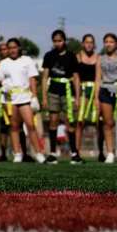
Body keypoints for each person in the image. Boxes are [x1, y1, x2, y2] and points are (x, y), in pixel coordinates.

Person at [0, 39, 46, 163]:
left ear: (19, 48)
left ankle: (38, 153)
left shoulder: (27, 60)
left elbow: (32, 80)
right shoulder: (4, 63)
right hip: (9, 99)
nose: (12, 50)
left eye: (14, 47)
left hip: (24, 97)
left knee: (30, 125)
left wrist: (34, 97)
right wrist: (4, 86)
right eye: (10, 48)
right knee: (14, 127)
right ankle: (17, 153)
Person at [40, 29, 82, 163]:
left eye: (60, 40)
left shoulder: (71, 56)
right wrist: (44, 97)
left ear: (64, 41)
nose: (57, 43)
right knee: (53, 121)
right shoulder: (49, 56)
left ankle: (74, 153)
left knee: (69, 122)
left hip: (67, 91)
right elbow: (45, 76)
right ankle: (52, 153)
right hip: (53, 91)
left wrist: (78, 96)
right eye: (55, 41)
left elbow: (76, 77)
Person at [95, 33, 117, 164]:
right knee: (108, 124)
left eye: (111, 41)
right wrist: (96, 98)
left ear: (116, 44)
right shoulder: (100, 59)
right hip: (105, 91)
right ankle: (110, 153)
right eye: (106, 42)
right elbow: (97, 79)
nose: (108, 44)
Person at [75, 33, 102, 161]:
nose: (89, 44)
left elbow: (98, 78)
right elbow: (75, 77)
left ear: (94, 44)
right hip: (83, 90)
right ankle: (76, 152)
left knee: (98, 122)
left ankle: (102, 152)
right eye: (87, 42)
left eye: (91, 42)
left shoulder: (98, 58)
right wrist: (77, 95)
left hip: (95, 90)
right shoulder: (78, 57)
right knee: (80, 121)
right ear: (82, 44)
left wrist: (96, 96)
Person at [0, 41, 12, 161]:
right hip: (3, 98)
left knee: (17, 126)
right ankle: (3, 153)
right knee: (3, 126)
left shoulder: (15, 62)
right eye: (2, 49)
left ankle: (22, 152)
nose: (4, 51)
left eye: (6, 49)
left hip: (17, 97)